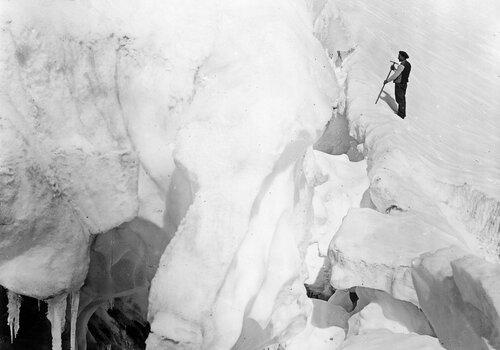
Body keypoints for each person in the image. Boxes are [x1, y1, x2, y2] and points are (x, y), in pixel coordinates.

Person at [384, 51, 411, 118]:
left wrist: (387, 81)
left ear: (402, 57)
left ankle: (401, 114)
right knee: (402, 98)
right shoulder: (408, 64)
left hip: (399, 84)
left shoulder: (402, 65)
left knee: (400, 99)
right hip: (404, 84)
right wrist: (394, 69)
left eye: (399, 56)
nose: (398, 57)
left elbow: (396, 75)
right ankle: (402, 113)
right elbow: (400, 73)